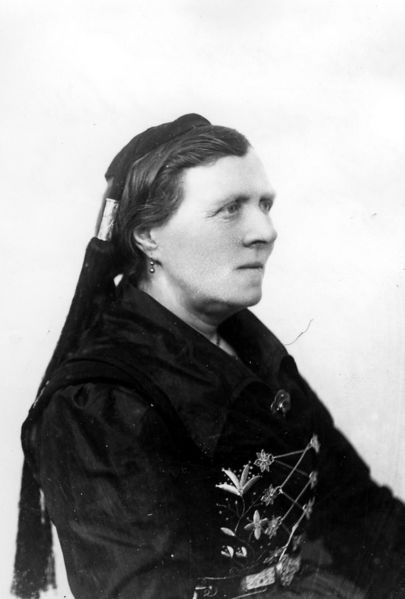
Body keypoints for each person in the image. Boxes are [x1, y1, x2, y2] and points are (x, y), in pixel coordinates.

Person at [12, 114, 405, 599]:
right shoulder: (99, 403)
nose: (265, 231)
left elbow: (357, 511)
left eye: (264, 205)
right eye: (229, 209)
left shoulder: (254, 353)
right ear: (147, 234)